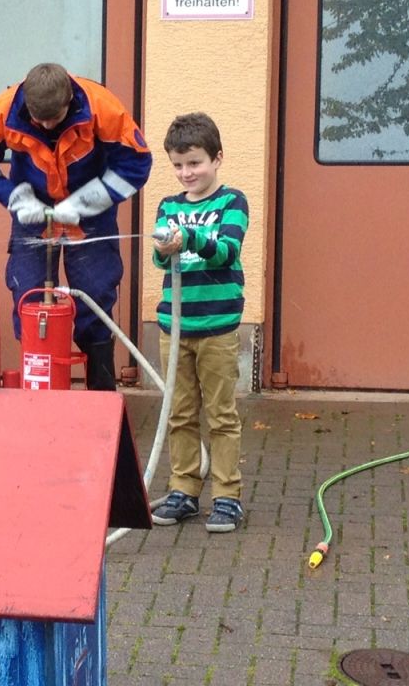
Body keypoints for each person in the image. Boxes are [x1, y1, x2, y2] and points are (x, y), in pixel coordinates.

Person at [0, 63, 152, 389]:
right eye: (38, 120)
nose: (46, 125)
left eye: (54, 119)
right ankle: (40, 389)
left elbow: (137, 163)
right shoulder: (3, 110)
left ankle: (101, 396)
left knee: (94, 297)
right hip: (32, 211)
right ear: (26, 106)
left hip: (90, 214)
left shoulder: (102, 107)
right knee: (29, 296)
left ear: (69, 101)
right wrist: (13, 197)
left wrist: (91, 200)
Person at [150, 112, 248, 532]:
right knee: (180, 413)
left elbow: (226, 249)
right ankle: (183, 490)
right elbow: (159, 258)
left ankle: (227, 497)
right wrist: (165, 246)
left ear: (217, 158)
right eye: (177, 164)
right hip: (175, 327)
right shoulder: (168, 205)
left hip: (218, 327)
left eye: (194, 163)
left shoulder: (232, 202)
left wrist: (188, 239)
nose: (186, 173)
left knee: (221, 415)